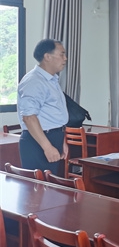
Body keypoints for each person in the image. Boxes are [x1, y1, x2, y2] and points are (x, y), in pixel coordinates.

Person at [17, 39, 69, 175]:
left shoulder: (51, 80)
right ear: (47, 56)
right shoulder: (34, 81)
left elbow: (53, 114)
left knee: (50, 184)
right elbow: (29, 117)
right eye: (62, 54)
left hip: (51, 138)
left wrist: (61, 139)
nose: (65, 58)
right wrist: (47, 147)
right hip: (39, 141)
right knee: (39, 186)